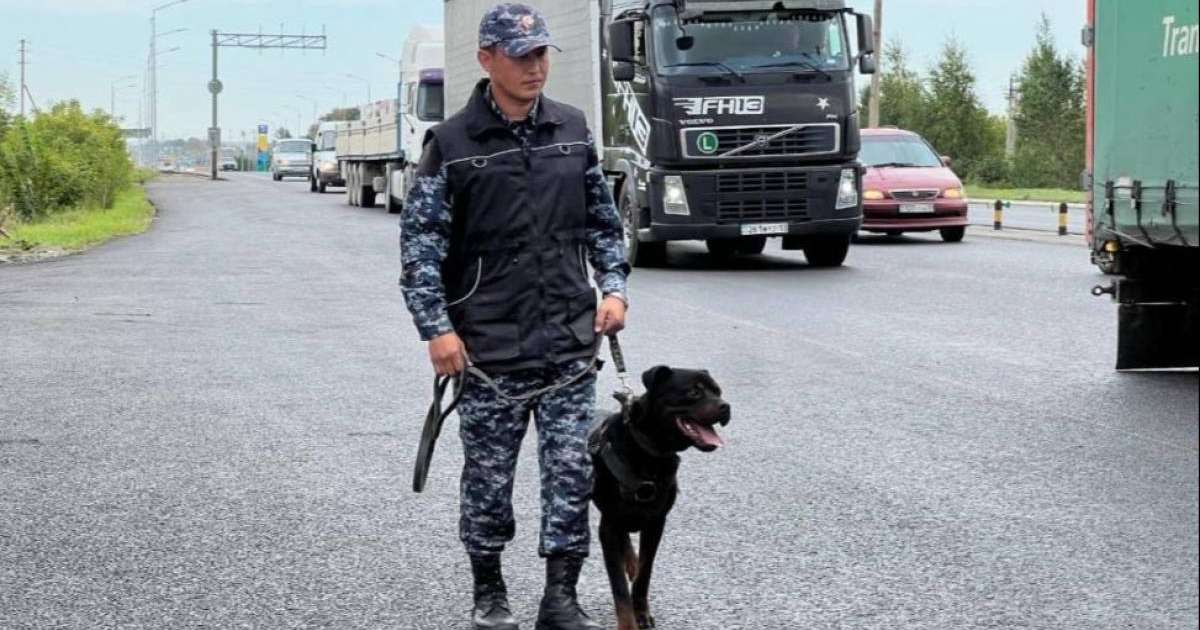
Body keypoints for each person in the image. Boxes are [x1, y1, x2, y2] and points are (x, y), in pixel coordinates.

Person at [399, 4, 630, 629]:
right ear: (486, 59)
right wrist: (437, 330)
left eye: (542, 53)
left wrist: (613, 289)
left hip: (568, 345)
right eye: (521, 55)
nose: (536, 66)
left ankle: (561, 598)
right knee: (488, 480)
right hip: (487, 352)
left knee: (570, 476)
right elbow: (420, 251)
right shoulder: (451, 144)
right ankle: (489, 590)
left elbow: (604, 224)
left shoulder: (572, 129)